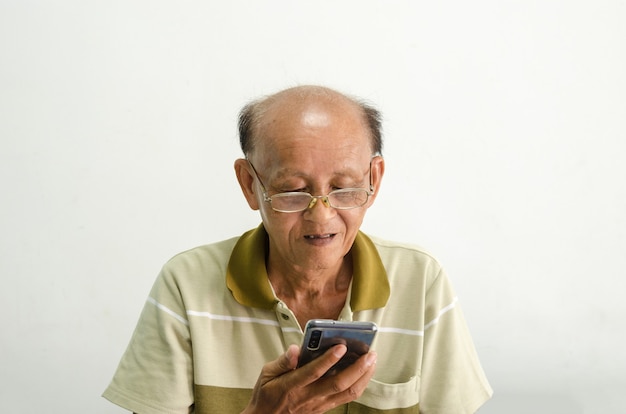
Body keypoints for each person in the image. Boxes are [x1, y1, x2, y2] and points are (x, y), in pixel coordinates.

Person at [103, 85, 493, 413]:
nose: (321, 218)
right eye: (292, 190)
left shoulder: (421, 280)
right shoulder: (185, 286)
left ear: (374, 179)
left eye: (343, 188)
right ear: (248, 184)